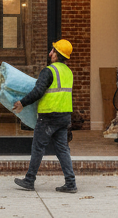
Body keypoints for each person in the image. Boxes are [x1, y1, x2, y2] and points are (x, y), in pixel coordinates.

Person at [12, 38, 77, 194]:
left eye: (52, 50)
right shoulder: (68, 72)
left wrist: (22, 103)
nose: (50, 53)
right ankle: (70, 183)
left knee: (38, 147)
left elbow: (38, 91)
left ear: (56, 54)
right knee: (62, 150)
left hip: (48, 116)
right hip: (64, 116)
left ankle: (29, 180)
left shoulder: (49, 71)